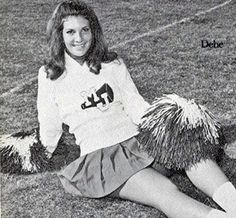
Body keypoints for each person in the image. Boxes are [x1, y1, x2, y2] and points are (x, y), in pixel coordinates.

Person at [37, 1, 236, 218]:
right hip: (102, 158)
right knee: (164, 190)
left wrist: (167, 126)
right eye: (70, 32)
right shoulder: (50, 75)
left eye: (85, 30)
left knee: (192, 155)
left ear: (93, 31)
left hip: (137, 142)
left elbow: (135, 104)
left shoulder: (111, 64)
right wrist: (42, 152)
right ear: (59, 34)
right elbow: (49, 122)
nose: (79, 38)